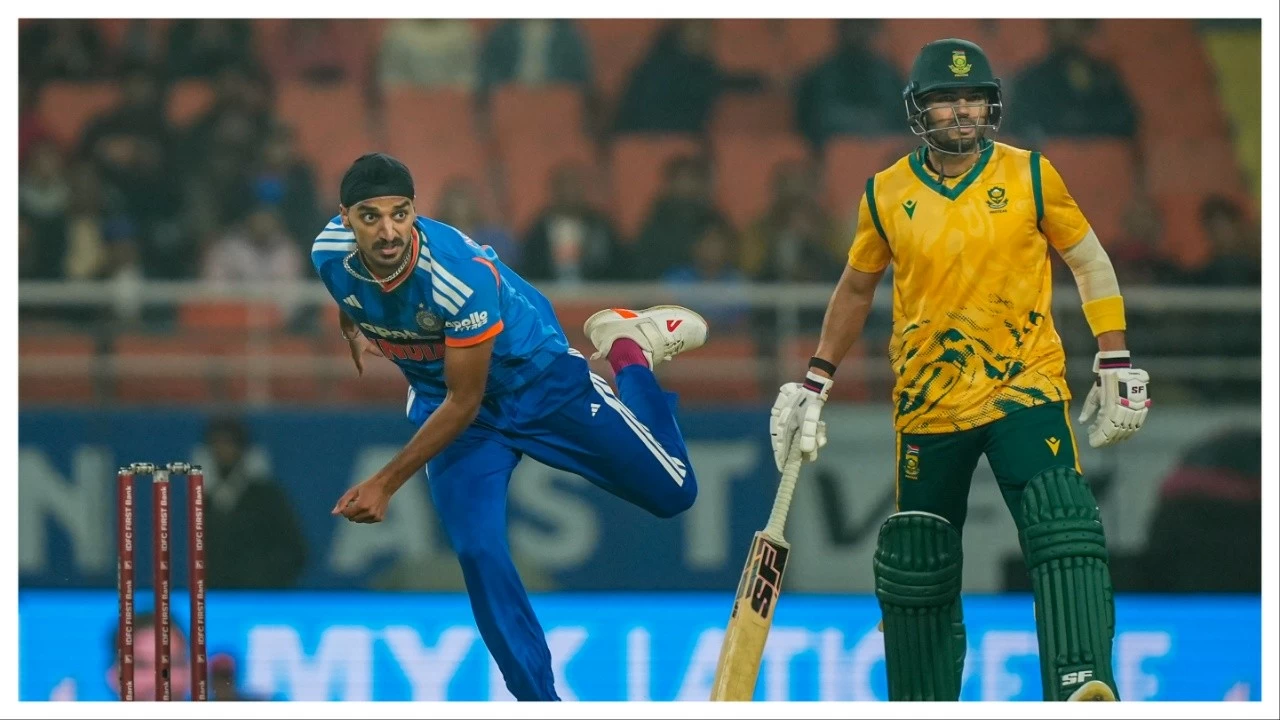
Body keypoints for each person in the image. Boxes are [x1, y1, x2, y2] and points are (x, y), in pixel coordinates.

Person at [769, 38, 1151, 702]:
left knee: (1063, 525)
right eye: (946, 100)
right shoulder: (886, 193)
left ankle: (1082, 683)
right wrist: (814, 382)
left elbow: (1089, 261)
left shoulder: (1033, 174)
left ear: (992, 105)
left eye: (973, 97)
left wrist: (1113, 356)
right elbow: (855, 290)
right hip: (928, 402)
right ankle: (922, 702)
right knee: (918, 558)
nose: (962, 111)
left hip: (1023, 386)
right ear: (920, 110)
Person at [313, 153, 705, 701]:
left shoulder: (455, 278)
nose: (388, 232)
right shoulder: (328, 252)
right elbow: (350, 287)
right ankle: (539, 704)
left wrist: (384, 482)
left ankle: (629, 348)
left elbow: (464, 402)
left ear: (415, 212)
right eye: (370, 217)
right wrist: (352, 322)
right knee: (479, 552)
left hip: (538, 383)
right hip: (449, 402)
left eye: (400, 214)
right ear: (345, 219)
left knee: (675, 493)